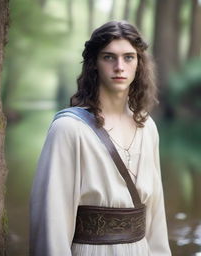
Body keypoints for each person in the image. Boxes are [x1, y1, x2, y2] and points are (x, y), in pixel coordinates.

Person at [30, 20, 171, 256]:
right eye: (109, 57)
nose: (119, 66)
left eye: (128, 57)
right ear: (94, 63)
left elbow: (156, 216)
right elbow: (50, 222)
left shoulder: (148, 127)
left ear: (139, 64)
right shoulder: (68, 129)